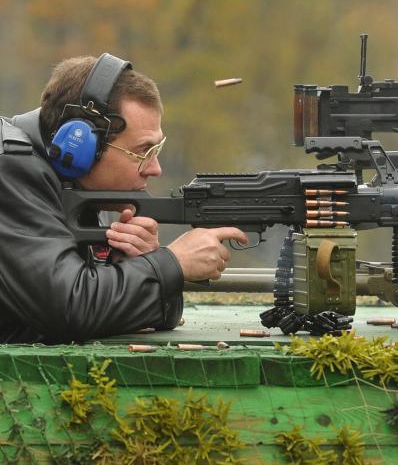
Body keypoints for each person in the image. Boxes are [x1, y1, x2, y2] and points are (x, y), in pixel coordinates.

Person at [0, 53, 247, 343]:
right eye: (142, 152)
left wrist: (143, 263)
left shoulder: (80, 185)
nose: (155, 168)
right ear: (80, 146)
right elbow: (71, 307)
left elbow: (154, 317)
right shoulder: (10, 169)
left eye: (156, 151)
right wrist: (171, 264)